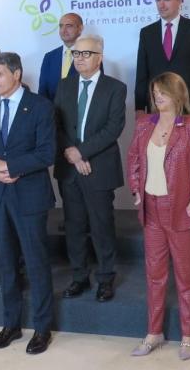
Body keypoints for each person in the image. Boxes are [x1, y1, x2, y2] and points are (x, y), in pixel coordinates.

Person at [0, 52, 56, 355]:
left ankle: (43, 328)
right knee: (6, 263)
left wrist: (9, 167)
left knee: (35, 263)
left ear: (16, 74)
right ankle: (11, 324)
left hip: (30, 196)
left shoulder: (41, 107)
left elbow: (47, 153)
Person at [127, 72, 190, 360]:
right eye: (155, 92)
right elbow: (134, 159)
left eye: (162, 92)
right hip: (151, 209)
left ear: (177, 93)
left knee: (186, 277)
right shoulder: (143, 125)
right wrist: (137, 191)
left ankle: (189, 335)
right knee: (154, 275)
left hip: (182, 210)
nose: (157, 97)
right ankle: (154, 332)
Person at [53, 34, 126, 302]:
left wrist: (81, 152)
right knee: (74, 226)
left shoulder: (115, 88)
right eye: (76, 54)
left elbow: (113, 129)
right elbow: (57, 124)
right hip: (70, 169)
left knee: (101, 226)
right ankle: (79, 276)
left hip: (99, 168)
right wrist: (72, 154)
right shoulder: (64, 86)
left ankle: (106, 278)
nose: (80, 59)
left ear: (100, 57)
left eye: (85, 54)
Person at [135, 0, 190, 113]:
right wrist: (139, 108)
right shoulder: (147, 33)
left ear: (179, 1)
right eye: (158, 0)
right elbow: (142, 74)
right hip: (157, 105)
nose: (161, 4)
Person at [38, 12, 83, 103]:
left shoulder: (90, 56)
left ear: (80, 29)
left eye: (69, 26)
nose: (63, 30)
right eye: (61, 26)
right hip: (53, 114)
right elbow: (42, 92)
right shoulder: (49, 57)